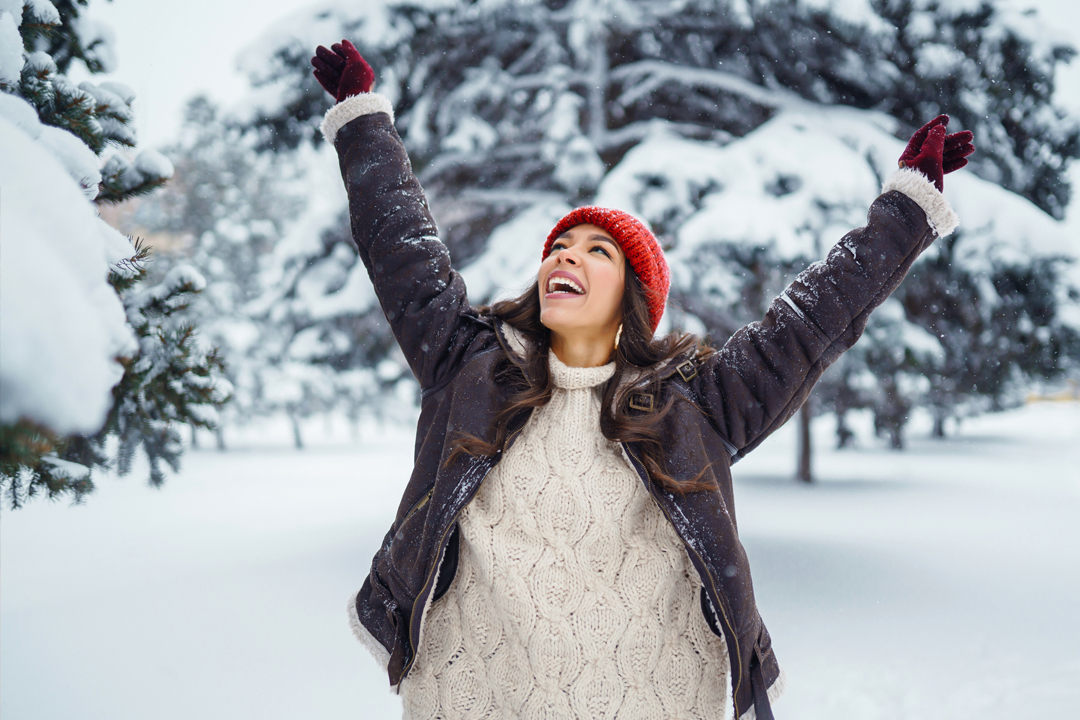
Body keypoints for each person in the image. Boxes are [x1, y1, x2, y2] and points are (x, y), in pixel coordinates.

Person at [310, 40, 974, 720]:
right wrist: (365, 125)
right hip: (476, 697)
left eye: (596, 251)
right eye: (559, 249)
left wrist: (905, 212)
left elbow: (810, 323)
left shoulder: (697, 403)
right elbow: (402, 250)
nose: (566, 256)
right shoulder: (469, 365)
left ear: (633, 296)